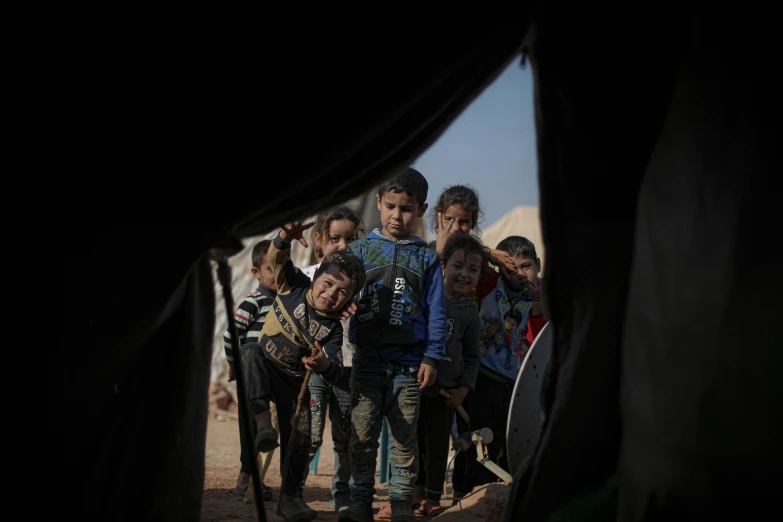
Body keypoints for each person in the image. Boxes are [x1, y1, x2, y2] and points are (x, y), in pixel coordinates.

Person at [339, 167, 448, 522]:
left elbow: (436, 310)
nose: (397, 216)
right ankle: (360, 502)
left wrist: (431, 357)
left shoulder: (427, 258)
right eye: (390, 207)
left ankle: (400, 503)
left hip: (408, 366)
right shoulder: (359, 250)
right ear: (378, 203)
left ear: (421, 209)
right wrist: (345, 303)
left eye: (406, 208)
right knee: (362, 435)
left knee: (404, 439)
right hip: (367, 361)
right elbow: (336, 294)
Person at [240, 222, 366, 522]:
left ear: (349, 301)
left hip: (295, 384)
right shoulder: (293, 284)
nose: (331, 294)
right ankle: (262, 424)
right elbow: (276, 259)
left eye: (342, 293)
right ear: (316, 277)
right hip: (266, 367)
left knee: (302, 437)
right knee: (250, 351)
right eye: (328, 283)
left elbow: (335, 370)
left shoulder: (333, 329)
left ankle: (290, 497)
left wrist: (322, 364)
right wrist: (284, 237)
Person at [452, 235, 547, 500]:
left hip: (521, 385)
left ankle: (504, 501)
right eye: (511, 267)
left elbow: (538, 340)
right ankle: (467, 499)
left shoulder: (547, 295)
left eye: (526, 266)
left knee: (512, 447)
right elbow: (458, 250)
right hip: (483, 379)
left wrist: (539, 304)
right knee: (479, 442)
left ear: (538, 264)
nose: (519, 274)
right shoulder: (489, 284)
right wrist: (490, 254)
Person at [297, 205, 365, 514]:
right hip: (313, 369)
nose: (342, 246)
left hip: (347, 368)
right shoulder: (308, 278)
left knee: (344, 437)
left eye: (349, 239)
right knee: (309, 435)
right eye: (335, 238)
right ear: (319, 239)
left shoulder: (359, 280)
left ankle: (341, 497)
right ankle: (295, 492)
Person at [414, 234, 484, 517]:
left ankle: (432, 497)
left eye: (473, 269)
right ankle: (411, 495)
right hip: (416, 387)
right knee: (411, 442)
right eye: (458, 265)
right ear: (443, 265)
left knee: (438, 444)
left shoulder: (470, 313)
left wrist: (463, 391)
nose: (465, 274)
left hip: (447, 395)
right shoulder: (425, 299)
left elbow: (472, 357)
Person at [222, 239, 277, 500]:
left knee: (274, 429)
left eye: (282, 266)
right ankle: (245, 478)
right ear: (256, 273)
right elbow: (230, 334)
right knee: (251, 429)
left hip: (276, 374)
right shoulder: (253, 302)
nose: (277, 273)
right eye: (271, 268)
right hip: (252, 376)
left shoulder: (287, 302)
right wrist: (234, 364)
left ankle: (258, 480)